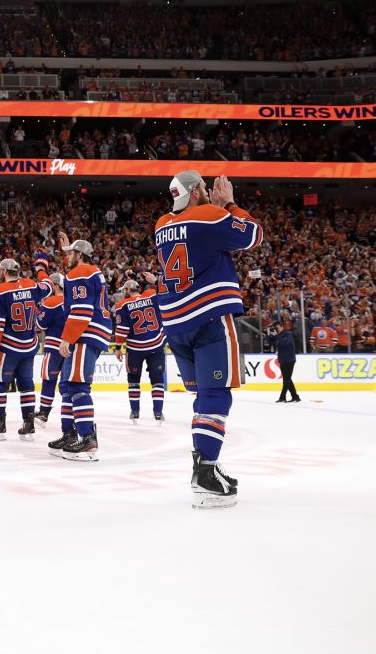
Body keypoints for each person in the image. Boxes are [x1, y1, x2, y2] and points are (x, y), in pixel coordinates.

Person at [154, 171, 262, 509]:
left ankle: (208, 465)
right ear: (196, 192)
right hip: (209, 316)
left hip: (175, 321)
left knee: (203, 396)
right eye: (202, 186)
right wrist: (228, 203)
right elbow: (253, 236)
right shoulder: (210, 214)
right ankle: (204, 473)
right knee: (216, 396)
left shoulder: (161, 224)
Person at [47, 233, 113, 461]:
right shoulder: (88, 271)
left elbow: (82, 310)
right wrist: (68, 247)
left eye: (71, 254)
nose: (67, 258)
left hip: (86, 333)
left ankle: (87, 440)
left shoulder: (81, 272)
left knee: (77, 386)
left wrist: (68, 337)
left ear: (81, 255)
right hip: (93, 332)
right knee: (67, 385)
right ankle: (69, 433)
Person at [0, 258, 48, 441]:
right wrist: (42, 268)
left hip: (9, 346)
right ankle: (28, 423)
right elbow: (49, 285)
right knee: (26, 384)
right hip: (29, 345)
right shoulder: (32, 285)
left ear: (3, 272)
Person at [113, 271, 166, 423]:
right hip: (156, 345)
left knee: (134, 381)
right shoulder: (151, 294)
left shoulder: (122, 305)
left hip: (135, 349)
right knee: (157, 381)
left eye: (124, 290)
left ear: (129, 290)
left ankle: (135, 412)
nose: (123, 293)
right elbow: (166, 295)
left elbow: (122, 329)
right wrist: (156, 281)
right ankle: (158, 412)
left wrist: (118, 347)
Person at [32, 272, 65, 425]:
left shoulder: (51, 302)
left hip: (53, 346)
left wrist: (40, 309)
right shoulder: (73, 300)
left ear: (56, 286)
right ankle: (70, 413)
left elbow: (39, 326)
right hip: (71, 346)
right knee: (68, 382)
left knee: (48, 379)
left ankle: (44, 411)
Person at [274, 323, 300, 403]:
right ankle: (295, 396)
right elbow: (271, 342)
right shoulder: (278, 335)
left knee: (286, 380)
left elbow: (286, 343)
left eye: (277, 328)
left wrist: (277, 336)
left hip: (289, 360)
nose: (276, 329)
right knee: (288, 379)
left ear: (282, 327)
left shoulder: (288, 334)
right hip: (282, 360)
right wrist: (270, 335)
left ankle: (282, 397)